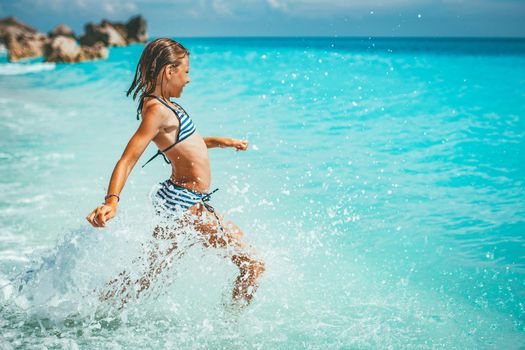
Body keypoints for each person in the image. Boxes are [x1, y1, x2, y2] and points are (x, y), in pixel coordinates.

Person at [86, 38, 265, 309]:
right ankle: (233, 329)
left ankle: (95, 306)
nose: (189, 79)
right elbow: (128, 158)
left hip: (180, 199)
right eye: (186, 71)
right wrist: (112, 200)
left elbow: (190, 144)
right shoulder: (157, 110)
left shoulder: (167, 105)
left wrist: (224, 142)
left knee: (147, 274)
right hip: (186, 203)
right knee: (253, 264)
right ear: (169, 71)